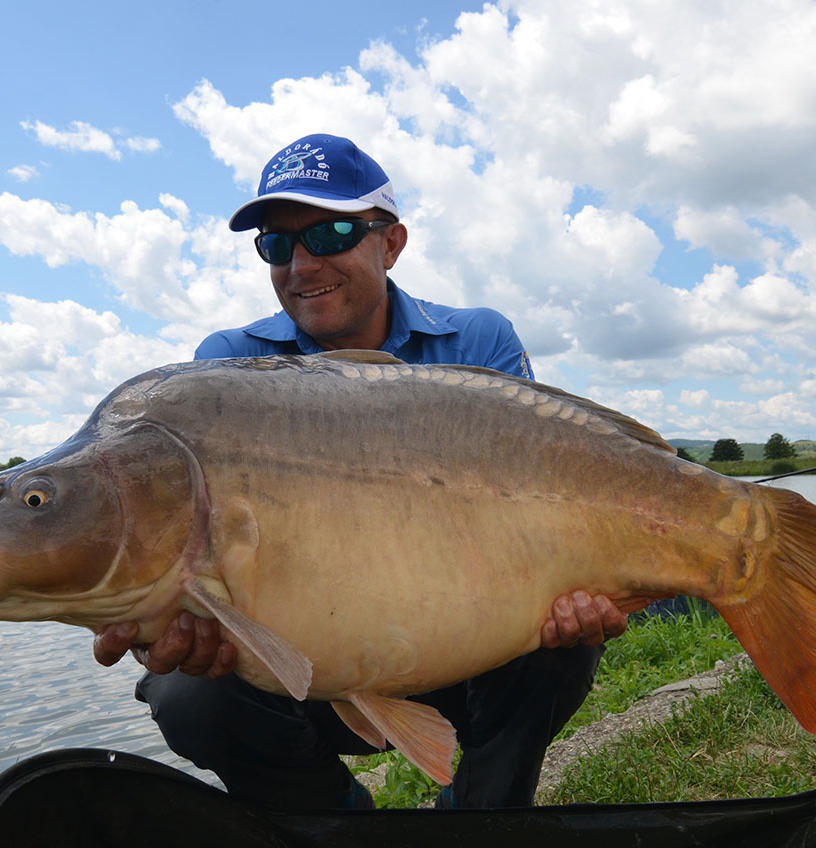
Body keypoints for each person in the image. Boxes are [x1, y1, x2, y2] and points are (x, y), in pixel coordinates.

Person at [92, 134, 628, 810]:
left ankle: (483, 820)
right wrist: (160, 620)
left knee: (562, 643)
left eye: (331, 231)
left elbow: (548, 501)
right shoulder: (227, 368)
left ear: (391, 242)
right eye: (277, 246)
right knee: (186, 693)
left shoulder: (478, 342)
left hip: (470, 649)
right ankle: (337, 827)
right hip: (310, 668)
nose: (302, 264)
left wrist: (588, 586)